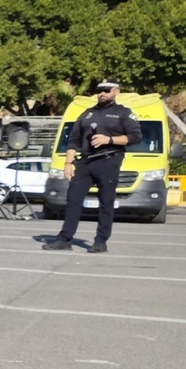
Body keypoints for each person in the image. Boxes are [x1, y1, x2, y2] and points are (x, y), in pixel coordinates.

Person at [44, 80, 143, 253]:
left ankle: (101, 240)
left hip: (109, 160)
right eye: (100, 91)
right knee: (73, 199)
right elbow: (73, 140)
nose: (102, 93)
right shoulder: (87, 114)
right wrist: (68, 163)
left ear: (116, 92)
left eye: (106, 90)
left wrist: (110, 140)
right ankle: (65, 239)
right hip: (85, 161)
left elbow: (135, 137)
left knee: (106, 201)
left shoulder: (123, 113)